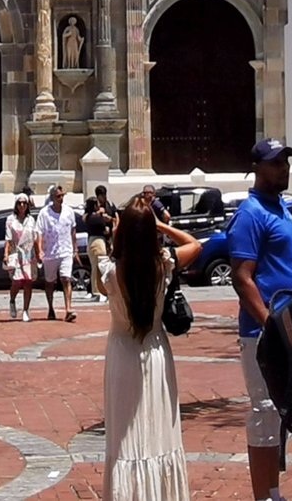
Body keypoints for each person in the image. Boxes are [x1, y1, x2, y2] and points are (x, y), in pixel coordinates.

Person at [102, 190, 206, 501]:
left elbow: (115, 255)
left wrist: (124, 230)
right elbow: (195, 245)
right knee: (159, 430)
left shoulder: (107, 273)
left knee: (123, 438)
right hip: (155, 351)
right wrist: (159, 225)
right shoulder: (164, 264)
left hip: (122, 353)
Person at [227, 138, 292, 501]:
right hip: (263, 332)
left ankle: (274, 490)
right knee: (264, 412)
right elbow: (242, 277)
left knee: (280, 413)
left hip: (290, 326)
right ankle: (264, 496)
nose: (284, 169)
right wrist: (269, 326)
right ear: (258, 168)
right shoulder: (251, 213)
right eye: (276, 163)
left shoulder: (281, 209)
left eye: (286, 162)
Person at [39, 182, 80, 322]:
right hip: (50, 253)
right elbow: (39, 232)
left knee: (66, 278)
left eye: (62, 196)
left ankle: (68, 309)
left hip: (66, 251)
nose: (60, 199)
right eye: (58, 196)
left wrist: (75, 248)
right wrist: (39, 250)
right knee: (50, 282)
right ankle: (50, 307)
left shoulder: (69, 211)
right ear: (52, 197)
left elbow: (73, 230)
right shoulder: (44, 213)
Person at [4, 193, 44, 320]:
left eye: (24, 203)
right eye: (19, 203)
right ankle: (12, 300)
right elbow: (8, 239)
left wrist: (39, 253)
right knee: (16, 282)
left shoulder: (31, 220)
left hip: (29, 255)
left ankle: (26, 310)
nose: (22, 205)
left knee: (28, 282)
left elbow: (36, 238)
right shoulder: (10, 220)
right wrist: (6, 254)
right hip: (16, 254)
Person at [82, 186, 115, 301]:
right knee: (100, 268)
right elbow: (105, 229)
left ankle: (96, 291)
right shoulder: (96, 217)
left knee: (95, 267)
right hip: (99, 241)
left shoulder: (91, 216)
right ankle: (99, 291)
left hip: (93, 241)